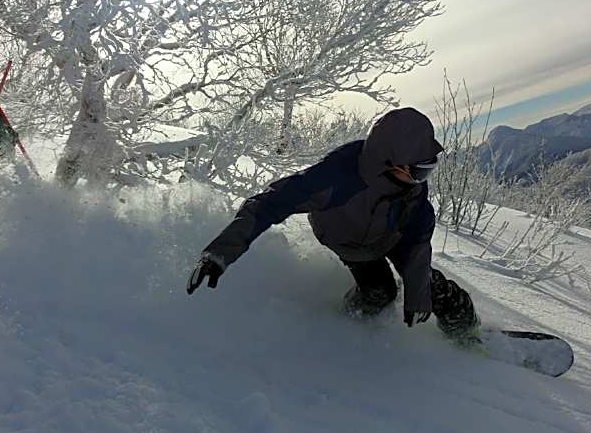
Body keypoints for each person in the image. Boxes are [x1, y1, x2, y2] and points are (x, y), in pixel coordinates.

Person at [186, 107, 480, 339]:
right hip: (351, 242)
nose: (422, 179)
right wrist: (219, 253)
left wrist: (418, 295)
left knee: (432, 289)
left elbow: (417, 238)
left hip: (394, 233)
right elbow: (269, 204)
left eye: (427, 171)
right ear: (391, 163)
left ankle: (468, 332)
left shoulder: (410, 188)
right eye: (418, 171)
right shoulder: (335, 179)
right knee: (380, 294)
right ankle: (348, 320)